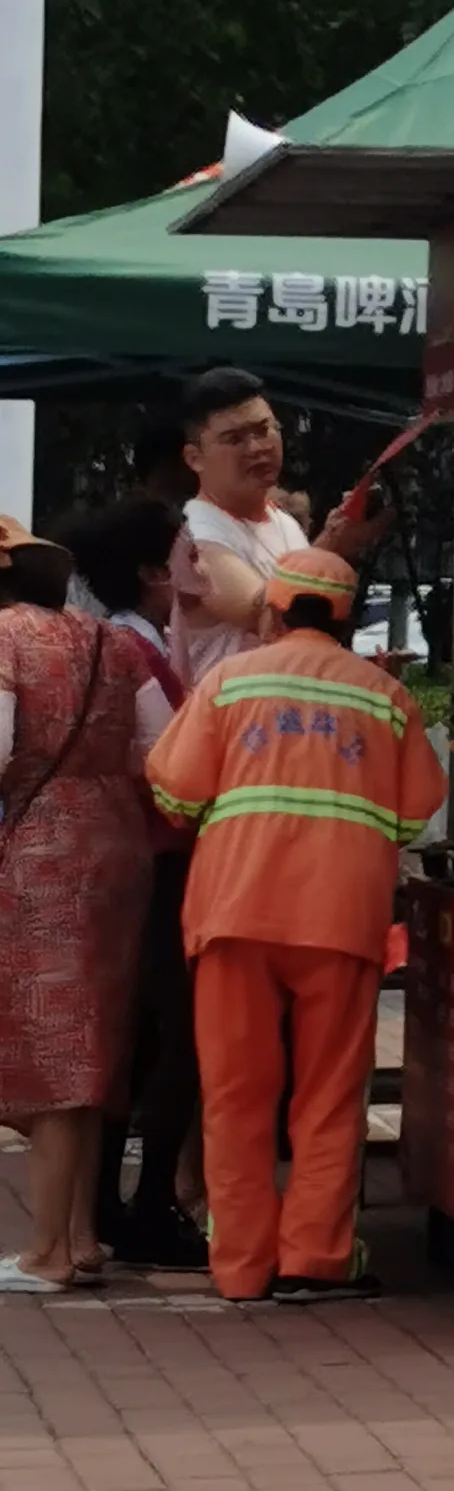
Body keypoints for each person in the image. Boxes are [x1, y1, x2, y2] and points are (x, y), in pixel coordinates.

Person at [147, 546, 444, 1302]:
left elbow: (176, 792)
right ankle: (315, 1259)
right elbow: (415, 809)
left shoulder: (227, 682)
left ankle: (240, 1265)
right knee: (328, 1095)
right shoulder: (384, 697)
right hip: (340, 917)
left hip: (234, 911)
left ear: (274, 609)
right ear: (347, 619)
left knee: (236, 1094)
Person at [0, 519, 171, 1293]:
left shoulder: (4, 637)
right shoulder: (115, 641)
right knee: (97, 1039)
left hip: (43, 848)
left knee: (53, 1049)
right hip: (120, 846)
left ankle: (45, 1254)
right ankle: (83, 1238)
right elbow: (160, 749)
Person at [66, 502, 205, 1268]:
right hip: (163, 858)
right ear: (155, 574)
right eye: (189, 554)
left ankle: (111, 1206)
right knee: (170, 1035)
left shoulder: (129, 642)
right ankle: (146, 1202)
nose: (202, 565)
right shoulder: (136, 651)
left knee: (139, 1032)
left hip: (137, 857)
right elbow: (169, 763)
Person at [168, 368, 389, 690]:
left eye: (264, 429)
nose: (257, 447)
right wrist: (331, 544)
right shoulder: (195, 535)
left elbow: (301, 631)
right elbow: (267, 616)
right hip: (230, 730)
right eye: (235, 439)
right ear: (194, 458)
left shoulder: (281, 521)